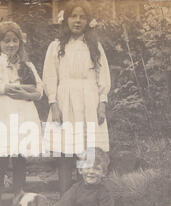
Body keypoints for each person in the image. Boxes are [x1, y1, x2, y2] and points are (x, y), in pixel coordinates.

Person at [42, 0, 111, 195]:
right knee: (65, 153)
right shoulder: (56, 47)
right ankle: (65, 199)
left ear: (89, 21)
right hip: (65, 101)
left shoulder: (94, 47)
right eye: (73, 16)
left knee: (88, 152)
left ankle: (85, 201)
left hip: (89, 102)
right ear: (66, 19)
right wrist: (54, 104)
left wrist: (102, 104)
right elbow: (50, 76)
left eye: (82, 17)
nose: (78, 21)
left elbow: (102, 75)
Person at [0, 21, 44, 206]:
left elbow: (39, 90)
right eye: (6, 41)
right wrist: (13, 86)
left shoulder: (27, 64)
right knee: (1, 159)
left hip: (24, 113)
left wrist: (25, 93)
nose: (11, 45)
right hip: (3, 113)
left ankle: (18, 205)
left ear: (20, 42)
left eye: (15, 41)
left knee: (20, 159)